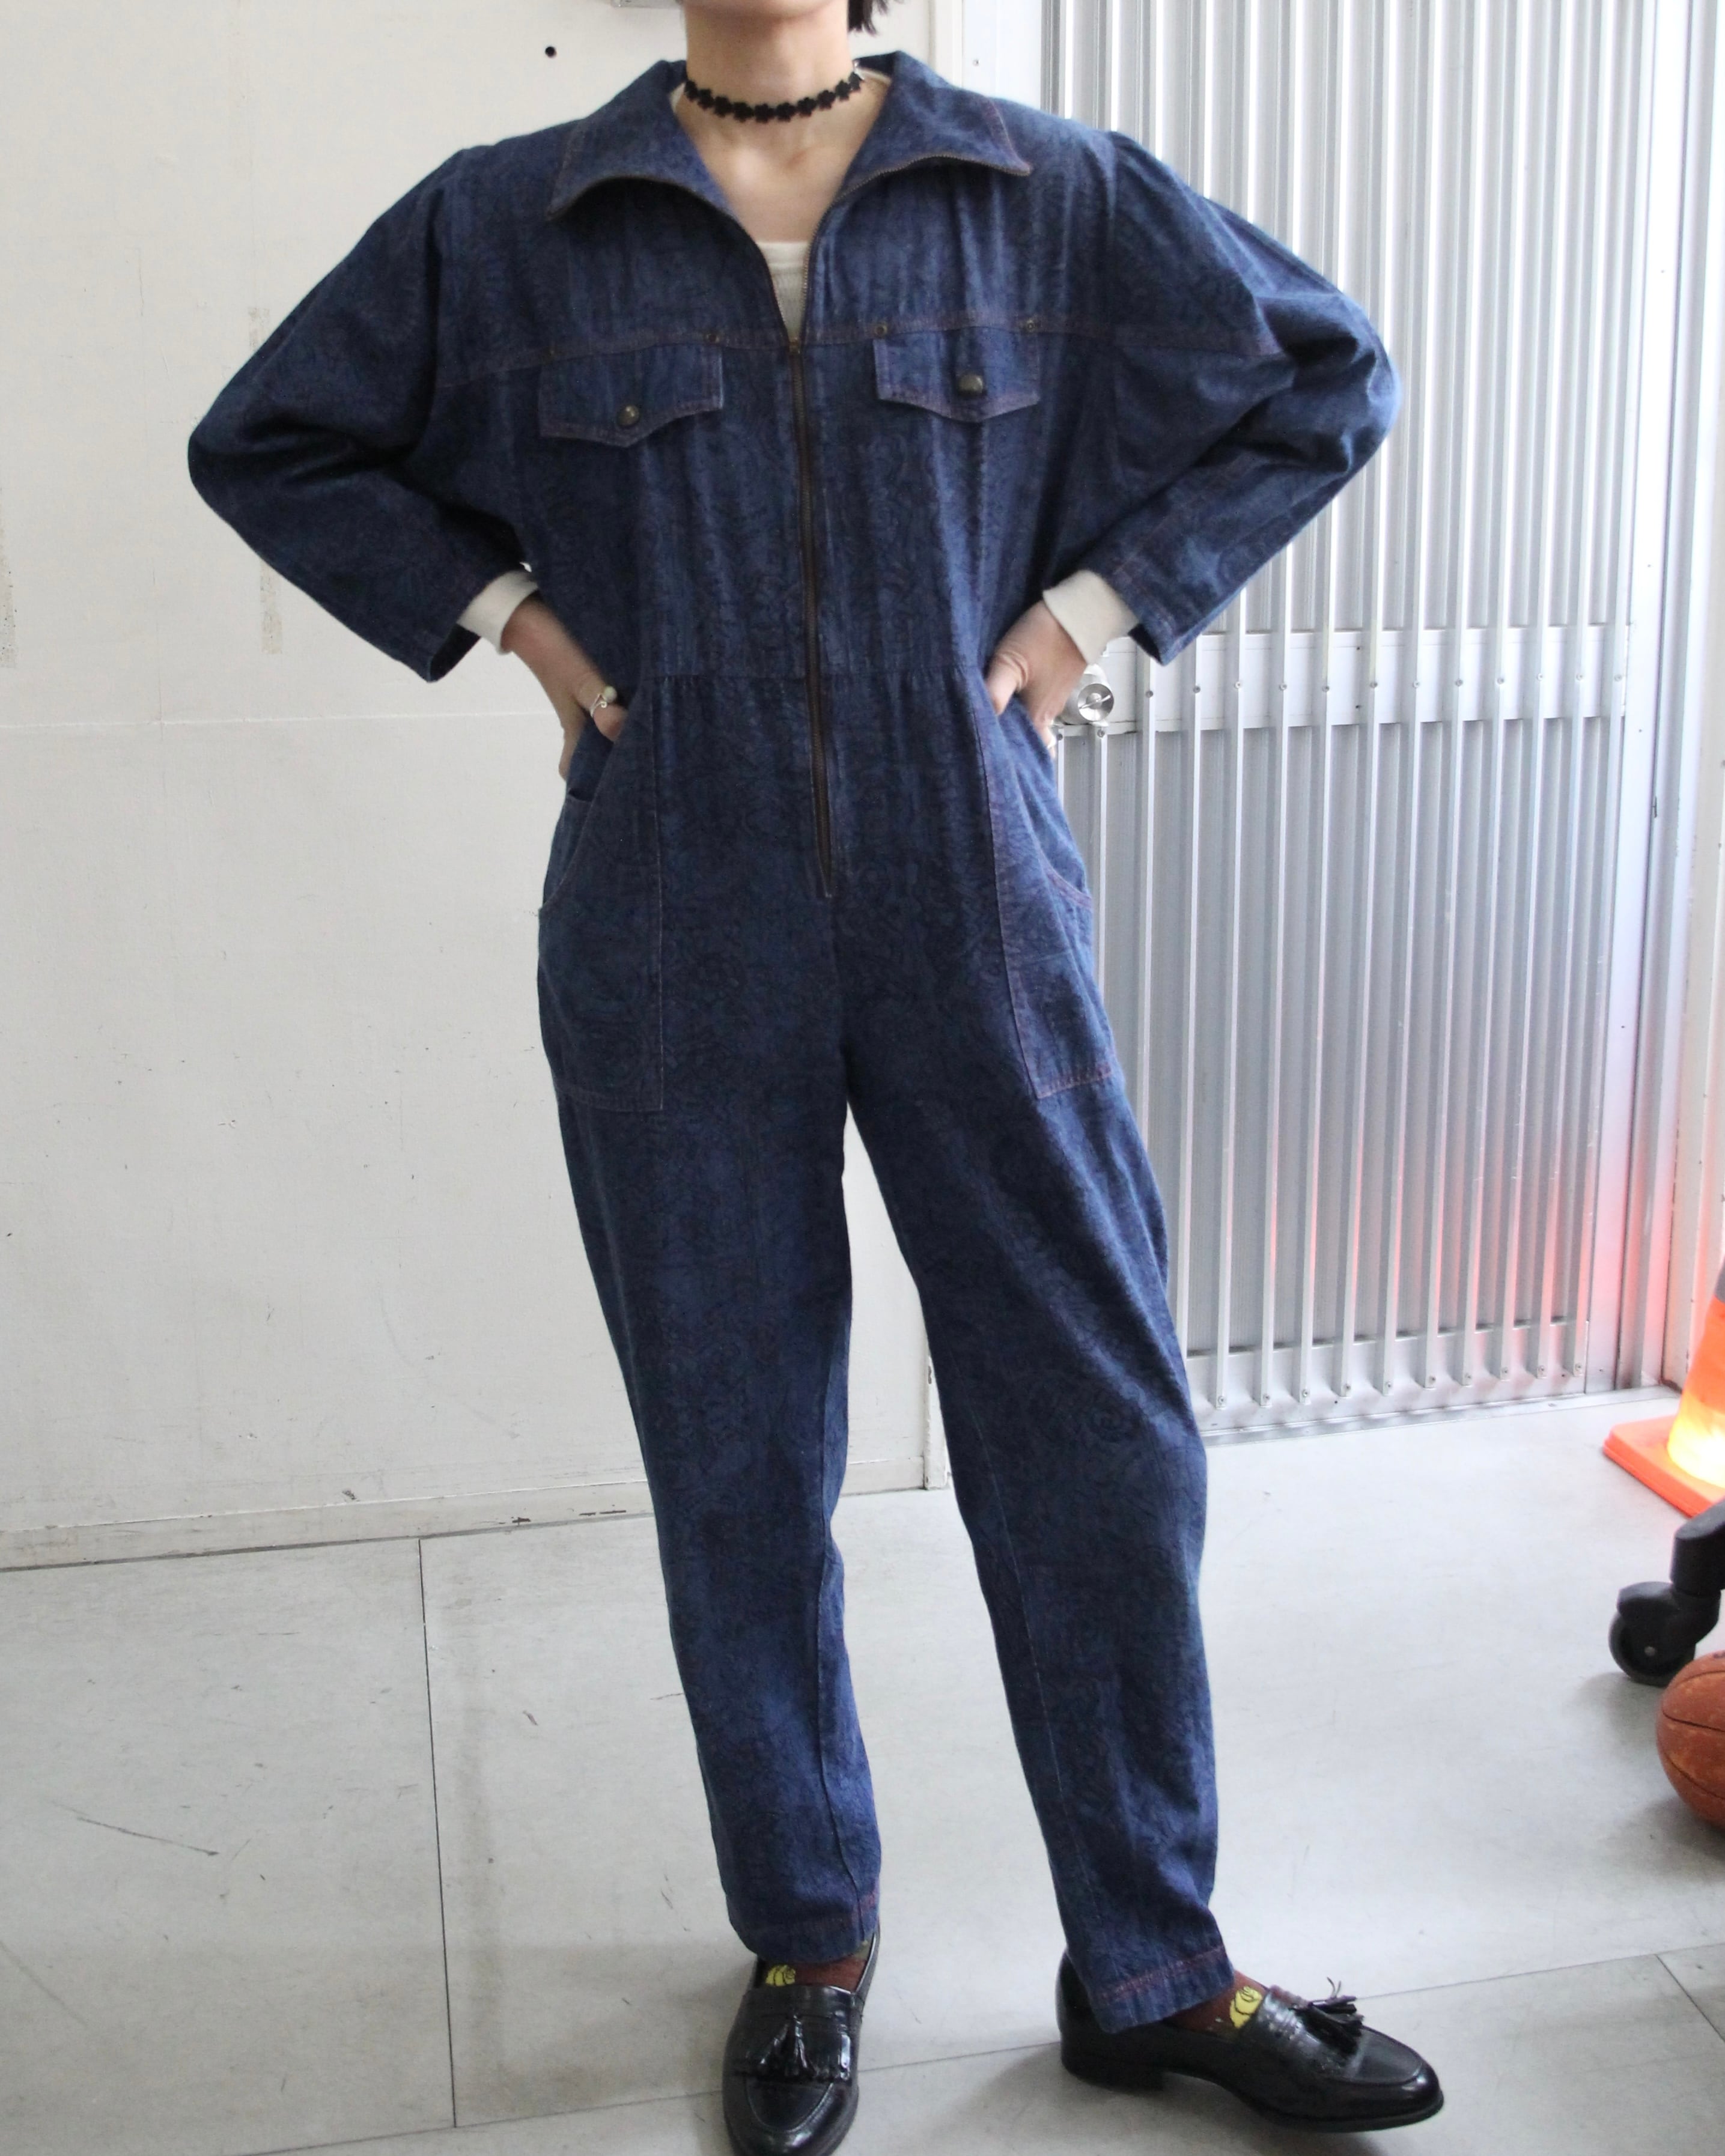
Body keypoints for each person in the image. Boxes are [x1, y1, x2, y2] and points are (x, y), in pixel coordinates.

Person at [187, 1, 1441, 2148]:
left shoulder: (1046, 194)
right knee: (738, 1450)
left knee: (1100, 1432)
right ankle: (807, 1936)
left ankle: (1152, 1967)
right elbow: (271, 438)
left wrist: (1089, 615)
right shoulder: (511, 224)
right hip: (674, 909)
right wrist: (525, 626)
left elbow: (1325, 378)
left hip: (980, 901)